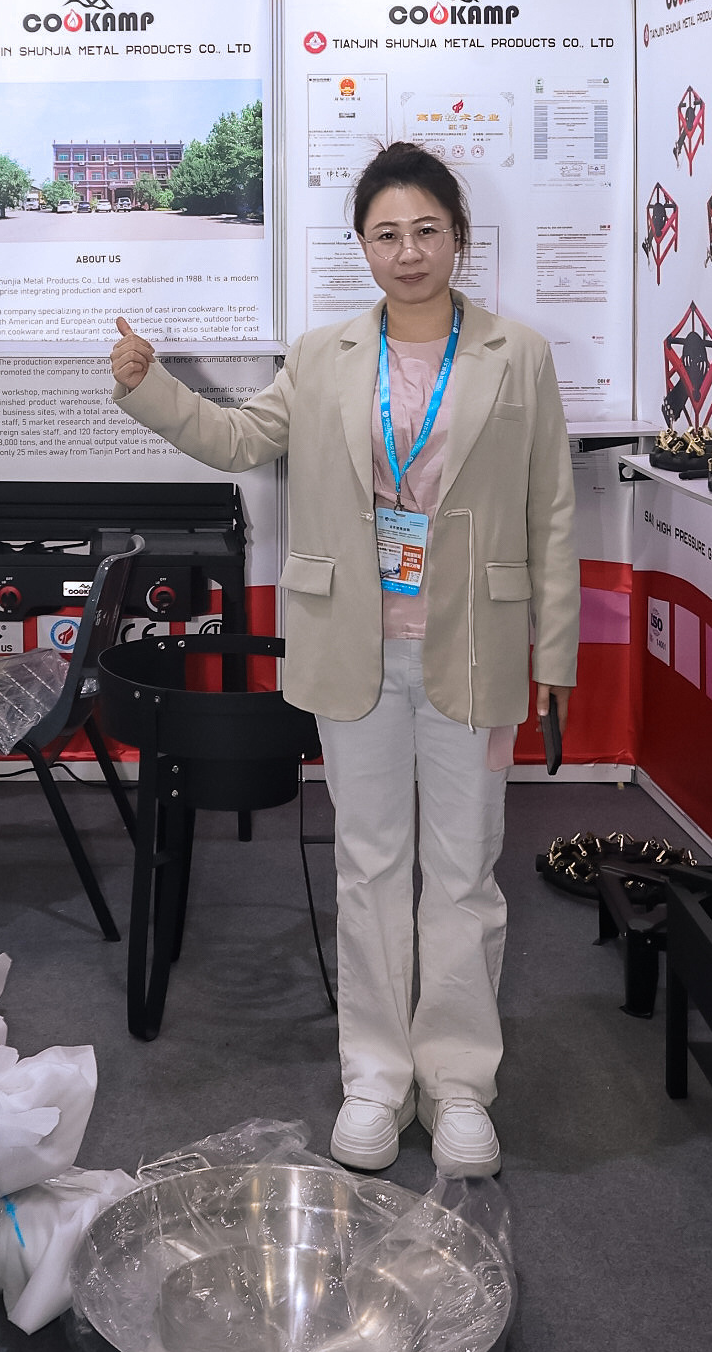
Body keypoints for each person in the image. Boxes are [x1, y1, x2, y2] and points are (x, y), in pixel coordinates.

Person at [109, 141, 576, 1177]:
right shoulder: (323, 356)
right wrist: (152, 390)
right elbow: (239, 440)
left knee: (463, 872)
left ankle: (459, 1083)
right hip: (350, 643)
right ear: (362, 247)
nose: (408, 253)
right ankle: (375, 1076)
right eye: (386, 234)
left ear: (457, 236)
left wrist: (555, 652)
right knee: (368, 866)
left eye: (426, 230)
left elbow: (550, 506)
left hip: (474, 647)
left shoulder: (518, 355)